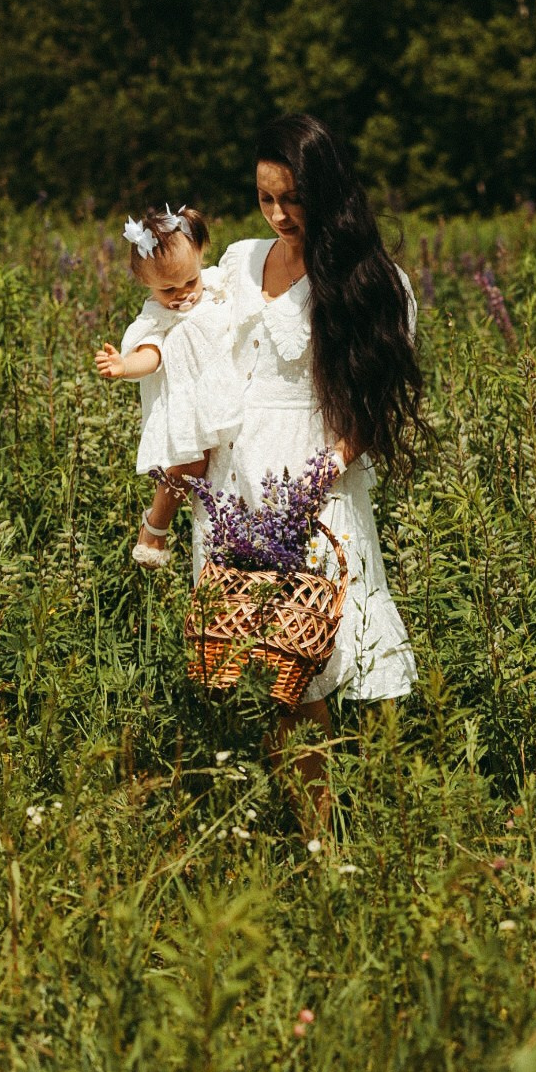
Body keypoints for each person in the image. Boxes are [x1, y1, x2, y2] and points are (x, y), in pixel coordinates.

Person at [203, 113, 426, 825]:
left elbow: (373, 405)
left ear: (324, 189)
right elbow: (178, 327)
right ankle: (307, 831)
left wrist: (325, 470)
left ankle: (363, 824)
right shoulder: (238, 260)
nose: (277, 214)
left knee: (321, 648)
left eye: (291, 198)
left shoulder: (367, 278)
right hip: (239, 480)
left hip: (311, 478)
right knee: (271, 664)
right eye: (265, 198)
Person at [95, 204, 240, 568]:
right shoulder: (158, 316)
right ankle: (155, 527)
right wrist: (124, 366)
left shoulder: (218, 286)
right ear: (147, 285)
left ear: (201, 259)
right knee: (189, 464)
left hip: (226, 392)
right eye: (168, 289)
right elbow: (151, 355)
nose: (182, 295)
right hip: (188, 403)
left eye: (189, 283)